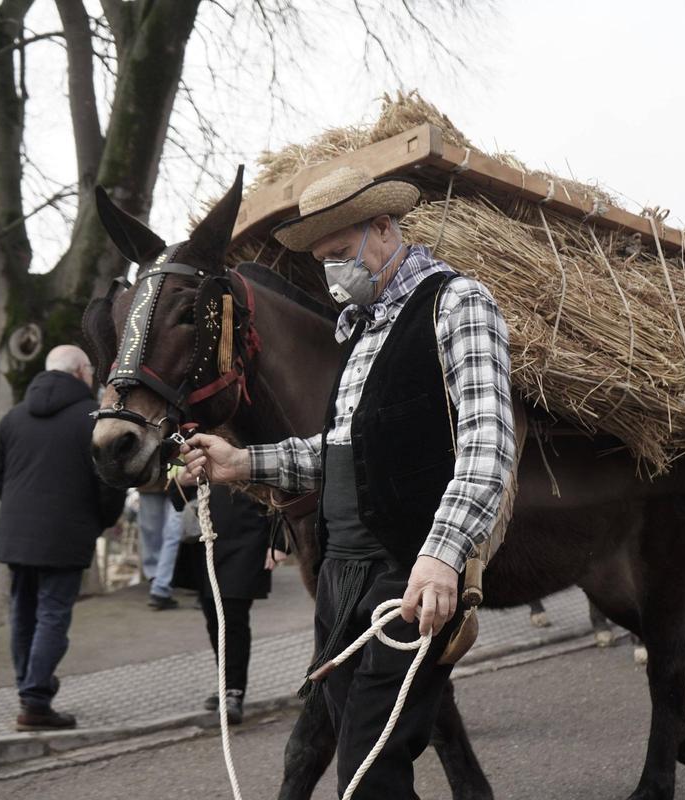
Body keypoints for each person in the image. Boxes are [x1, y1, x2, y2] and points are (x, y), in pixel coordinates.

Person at [181, 166, 515, 798]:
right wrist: (240, 463)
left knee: (368, 773)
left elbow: (487, 446)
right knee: (361, 761)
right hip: (339, 577)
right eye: (325, 260)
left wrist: (442, 556)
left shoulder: (457, 303)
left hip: (407, 574)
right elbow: (341, 452)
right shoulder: (360, 329)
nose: (334, 271)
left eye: (339, 252)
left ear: (383, 228)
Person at [0, 345, 127, 730]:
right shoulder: (93, 419)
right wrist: (99, 520)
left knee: (22, 613)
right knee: (52, 614)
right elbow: (110, 481)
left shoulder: (13, 418)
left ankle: (29, 687)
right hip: (66, 535)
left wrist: (19, 509)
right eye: (89, 369)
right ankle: (35, 700)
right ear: (80, 372)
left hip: (17, 536)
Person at [169, 475, 286, 724]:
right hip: (206, 545)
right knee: (213, 620)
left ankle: (234, 691)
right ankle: (225, 684)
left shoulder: (252, 451)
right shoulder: (195, 454)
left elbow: (280, 492)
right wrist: (184, 480)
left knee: (232, 619)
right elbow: (176, 499)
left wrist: (279, 543)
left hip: (247, 541)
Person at [137, 478, 185, 609]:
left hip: (181, 481)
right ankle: (157, 580)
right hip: (150, 481)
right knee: (153, 532)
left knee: (173, 533)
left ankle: (160, 586)